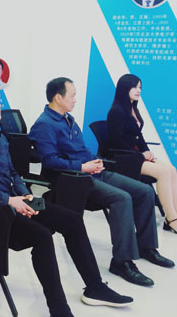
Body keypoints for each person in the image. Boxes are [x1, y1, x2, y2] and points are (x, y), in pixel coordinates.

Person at [0, 85, 133, 317]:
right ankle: (60, 313)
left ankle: (95, 286)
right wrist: (9, 200)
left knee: (72, 220)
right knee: (43, 237)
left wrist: (24, 194)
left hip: (14, 201)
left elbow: (12, 173)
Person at [29, 77, 174, 287]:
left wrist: (95, 162)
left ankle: (146, 247)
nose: (75, 100)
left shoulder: (68, 119)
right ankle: (121, 261)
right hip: (74, 179)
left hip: (92, 171)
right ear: (58, 97)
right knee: (122, 198)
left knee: (145, 191)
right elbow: (50, 161)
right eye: (72, 96)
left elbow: (80, 150)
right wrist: (82, 167)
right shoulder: (44, 125)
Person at [107, 73, 177, 233]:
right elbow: (116, 142)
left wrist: (146, 151)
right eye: (134, 87)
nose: (138, 90)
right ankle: (172, 219)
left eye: (140, 87)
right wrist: (141, 155)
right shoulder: (117, 111)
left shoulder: (132, 108)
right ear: (124, 88)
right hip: (124, 159)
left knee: (172, 170)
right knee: (163, 173)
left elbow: (138, 136)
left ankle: (174, 215)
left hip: (136, 156)